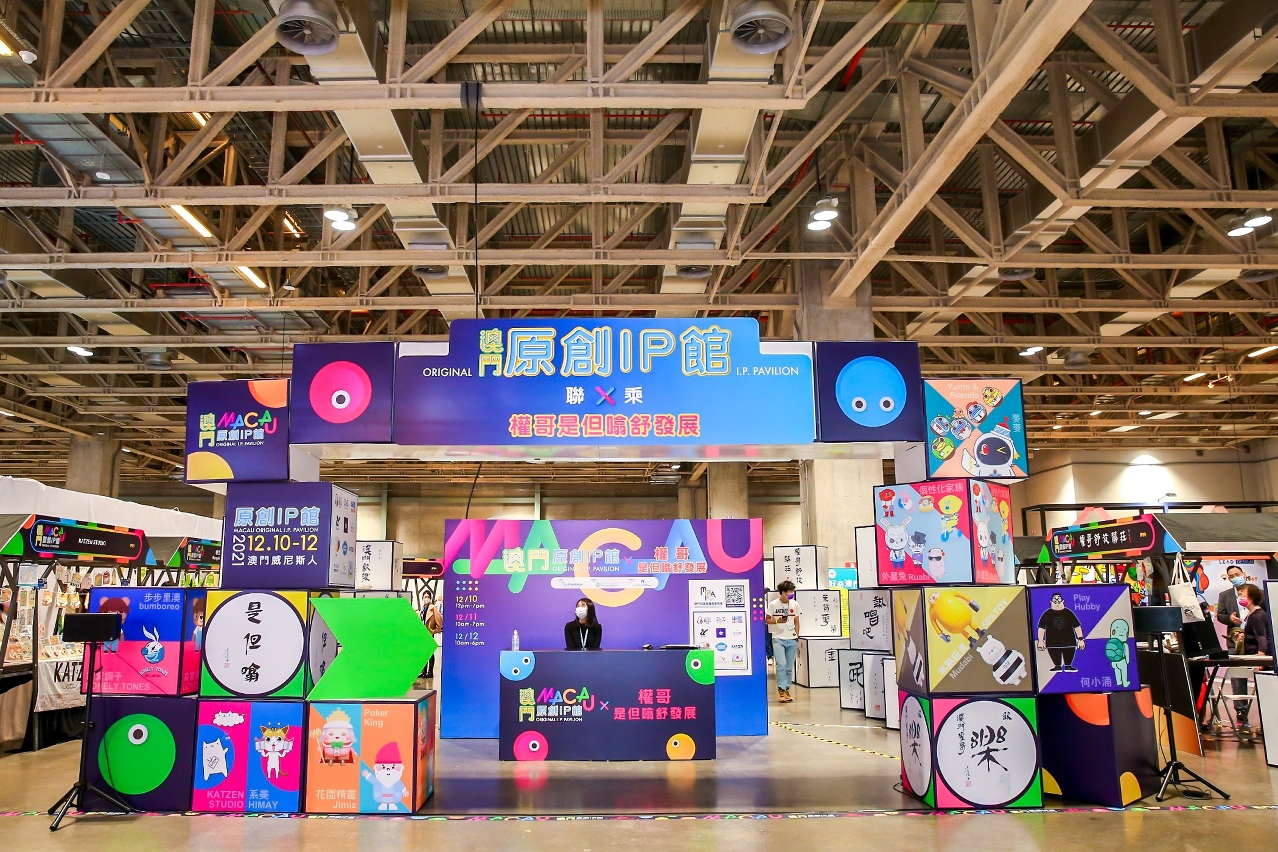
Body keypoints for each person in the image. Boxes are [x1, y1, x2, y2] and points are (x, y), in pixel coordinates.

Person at [766, 580, 801, 703]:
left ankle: (787, 689)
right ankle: (781, 690)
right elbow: (766, 620)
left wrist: (797, 634)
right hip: (778, 638)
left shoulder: (795, 604)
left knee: (789, 667)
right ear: (782, 592)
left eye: (792, 592)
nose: (791, 595)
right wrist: (777, 621)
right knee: (781, 664)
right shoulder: (773, 604)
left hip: (792, 639)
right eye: (789, 592)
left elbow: (797, 621)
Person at [1036, 592, 1085, 672]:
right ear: (1051, 602)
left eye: (1058, 600)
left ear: (1062, 601)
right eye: (1054, 600)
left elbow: (1077, 626)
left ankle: (1068, 665)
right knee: (1055, 654)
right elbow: (1041, 628)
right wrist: (1040, 640)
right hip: (1052, 643)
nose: (1057, 602)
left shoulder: (1068, 613)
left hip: (1069, 643)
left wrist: (1080, 639)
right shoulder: (1047, 614)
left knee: (1069, 654)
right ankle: (1057, 665)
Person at [1215, 565, 1249, 651]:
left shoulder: (1259, 593)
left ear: (1244, 574)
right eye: (1232, 576)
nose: (1235, 578)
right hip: (1235, 640)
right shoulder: (1224, 595)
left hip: (1256, 640)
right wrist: (1230, 619)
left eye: (1237, 575)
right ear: (1229, 579)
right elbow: (1220, 615)